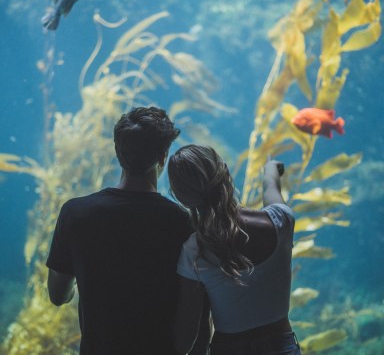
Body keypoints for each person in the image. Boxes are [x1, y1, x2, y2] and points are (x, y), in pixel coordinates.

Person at [46, 107, 193, 355]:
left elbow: (58, 295)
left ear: (118, 152)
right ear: (163, 157)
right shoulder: (180, 220)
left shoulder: (75, 213)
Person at [168, 144, 301, 355]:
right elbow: (271, 190)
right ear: (226, 174)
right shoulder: (281, 222)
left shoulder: (194, 251)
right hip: (281, 347)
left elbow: (187, 336)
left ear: (181, 197)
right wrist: (270, 170)